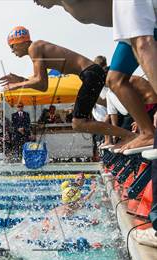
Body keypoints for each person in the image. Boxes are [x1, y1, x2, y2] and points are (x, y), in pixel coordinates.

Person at [34, 0, 157, 151]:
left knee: (142, 48)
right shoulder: (66, 6)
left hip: (141, 17)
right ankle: (147, 133)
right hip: (128, 24)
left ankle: (145, 132)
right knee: (114, 80)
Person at [0, 26, 135, 146]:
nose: (12, 51)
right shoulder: (36, 48)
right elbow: (42, 85)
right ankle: (128, 133)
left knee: (78, 123)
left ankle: (129, 136)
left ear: (21, 42)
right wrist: (21, 80)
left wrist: (17, 84)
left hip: (91, 74)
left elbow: (40, 82)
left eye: (11, 46)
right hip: (90, 74)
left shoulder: (34, 47)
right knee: (97, 111)